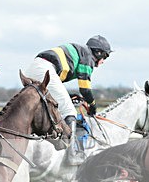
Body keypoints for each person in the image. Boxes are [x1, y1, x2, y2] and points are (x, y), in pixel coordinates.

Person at [23, 35, 112, 164]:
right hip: (45, 70)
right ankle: (73, 153)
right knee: (69, 110)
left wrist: (68, 96)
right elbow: (85, 89)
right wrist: (92, 105)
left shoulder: (81, 52)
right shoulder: (88, 57)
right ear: (98, 53)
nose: (103, 61)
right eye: (105, 56)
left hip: (34, 69)